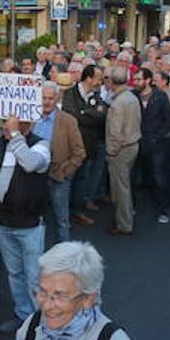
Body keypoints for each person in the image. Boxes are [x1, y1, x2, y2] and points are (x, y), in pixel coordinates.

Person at [12, 241, 138, 340]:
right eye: (43, 292)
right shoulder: (32, 325)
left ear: (88, 299)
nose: (46, 306)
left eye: (60, 296)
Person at [0, 111, 52, 332]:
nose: (4, 125)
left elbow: (30, 164)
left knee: (34, 276)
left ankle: (40, 324)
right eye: (4, 121)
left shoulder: (41, 145)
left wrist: (15, 135)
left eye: (10, 121)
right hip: (2, 221)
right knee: (14, 273)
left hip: (28, 223)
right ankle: (23, 315)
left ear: (26, 122)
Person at [34, 82, 85, 246]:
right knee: (36, 219)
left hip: (57, 176)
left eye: (50, 98)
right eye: (43, 98)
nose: (46, 102)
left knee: (61, 220)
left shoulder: (68, 121)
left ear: (57, 99)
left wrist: (66, 172)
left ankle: (63, 258)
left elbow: (79, 152)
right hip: (33, 176)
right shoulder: (30, 118)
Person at [63, 64, 109, 225]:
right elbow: (71, 117)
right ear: (88, 78)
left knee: (82, 180)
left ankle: (77, 210)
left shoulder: (96, 95)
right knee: (68, 181)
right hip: (70, 149)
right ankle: (63, 215)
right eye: (98, 78)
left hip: (89, 148)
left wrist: (84, 112)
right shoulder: (70, 93)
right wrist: (90, 113)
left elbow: (103, 113)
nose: (100, 82)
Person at [103, 66, 141, 236]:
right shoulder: (132, 97)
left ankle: (124, 224)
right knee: (124, 186)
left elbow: (115, 133)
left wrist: (111, 152)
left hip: (121, 150)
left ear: (111, 82)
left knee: (120, 190)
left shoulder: (117, 103)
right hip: (133, 144)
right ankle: (125, 218)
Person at [135, 68, 170, 224]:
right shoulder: (133, 96)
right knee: (138, 176)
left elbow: (169, 120)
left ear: (148, 80)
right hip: (138, 142)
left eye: (139, 79)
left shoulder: (160, 96)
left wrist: (158, 137)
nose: (136, 82)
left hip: (157, 145)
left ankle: (162, 209)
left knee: (159, 177)